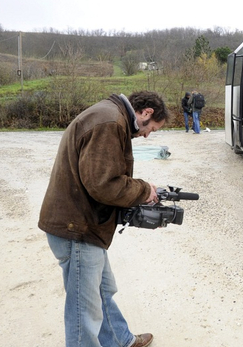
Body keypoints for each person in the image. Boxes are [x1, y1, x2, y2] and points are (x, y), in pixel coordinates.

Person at [38, 90, 170, 347]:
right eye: (151, 129)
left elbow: (97, 179)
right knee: (83, 312)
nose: (147, 135)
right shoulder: (110, 122)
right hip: (77, 228)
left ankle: (120, 340)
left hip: (83, 223)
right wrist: (144, 190)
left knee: (102, 291)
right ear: (147, 112)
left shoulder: (111, 115)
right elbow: (103, 184)